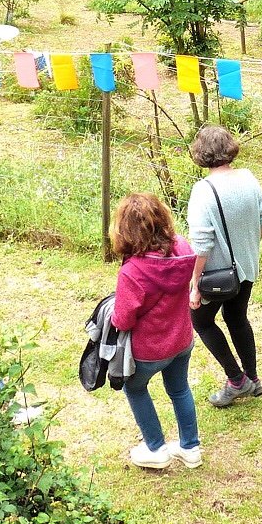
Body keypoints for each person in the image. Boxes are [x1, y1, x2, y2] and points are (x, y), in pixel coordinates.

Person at [111, 193, 202, 471]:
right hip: (182, 339)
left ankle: (156, 448)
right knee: (179, 389)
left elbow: (123, 321)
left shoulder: (133, 272)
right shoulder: (184, 249)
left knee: (135, 388)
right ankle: (190, 448)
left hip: (150, 351)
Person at [185, 126, 262, 407]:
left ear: (200, 154)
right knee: (237, 319)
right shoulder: (248, 178)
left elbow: (201, 244)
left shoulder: (202, 191)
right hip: (247, 267)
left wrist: (195, 285)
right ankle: (254, 379)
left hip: (217, 276)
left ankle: (237, 380)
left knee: (201, 321)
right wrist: (249, 250)